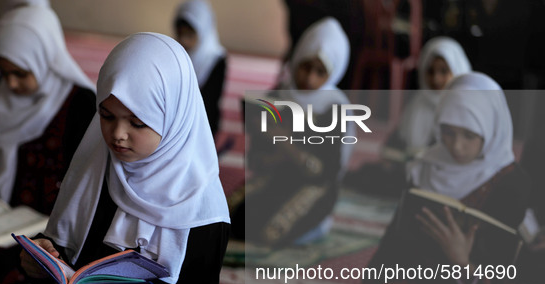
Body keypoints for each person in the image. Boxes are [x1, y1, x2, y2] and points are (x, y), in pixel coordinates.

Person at [7, 32, 230, 284]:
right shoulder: (97, 169)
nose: (117, 135)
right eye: (107, 116)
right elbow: (73, 264)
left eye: (137, 122)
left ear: (173, 117)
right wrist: (43, 261)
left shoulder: (200, 208)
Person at [317, 72, 530, 284]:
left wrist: (462, 260)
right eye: (448, 132)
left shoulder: (510, 183)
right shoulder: (426, 166)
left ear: (492, 130)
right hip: (415, 273)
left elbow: (500, 265)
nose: (456, 146)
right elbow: (397, 234)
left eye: (469, 136)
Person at [0, 6, 95, 283]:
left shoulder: (81, 104)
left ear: (44, 57)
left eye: (19, 73)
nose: (11, 83)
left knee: (23, 262)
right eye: (4, 73)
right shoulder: (1, 94)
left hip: (45, 221)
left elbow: (87, 179)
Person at [230, 17, 354, 247]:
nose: (309, 78)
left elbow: (324, 173)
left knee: (270, 233)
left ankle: (318, 222)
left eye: (320, 71)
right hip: (276, 178)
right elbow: (257, 160)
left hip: (313, 188)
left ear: (334, 72)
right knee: (230, 222)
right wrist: (267, 142)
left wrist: (286, 143)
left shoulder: (335, 108)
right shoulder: (278, 96)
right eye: (306, 66)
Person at [346, 36, 471, 197]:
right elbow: (395, 142)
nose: (436, 79)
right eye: (430, 71)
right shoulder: (418, 104)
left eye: (443, 71)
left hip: (441, 178)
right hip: (407, 170)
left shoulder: (463, 110)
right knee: (369, 173)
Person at [174, 0, 226, 137]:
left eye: (189, 35)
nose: (184, 41)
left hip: (204, 121)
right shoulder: (175, 54)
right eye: (180, 35)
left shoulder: (216, 59)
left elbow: (211, 100)